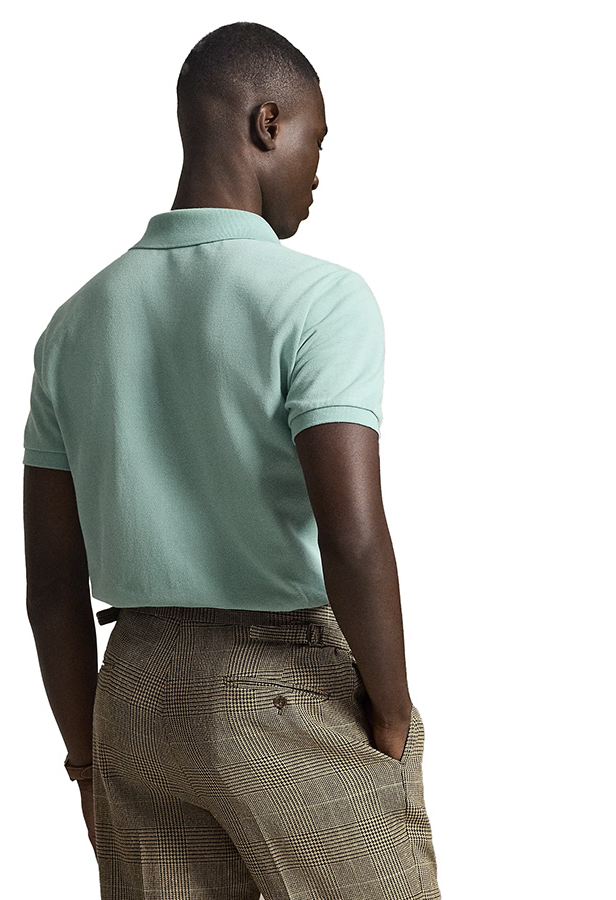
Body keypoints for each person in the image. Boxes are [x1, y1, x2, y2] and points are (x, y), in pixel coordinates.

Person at [23, 21, 442, 900]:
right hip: (285, 687)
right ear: (266, 123)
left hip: (136, 693)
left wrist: (88, 758)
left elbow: (54, 583)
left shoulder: (74, 324)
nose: (318, 173)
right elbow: (352, 534)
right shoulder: (321, 301)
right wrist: (392, 712)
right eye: (317, 141)